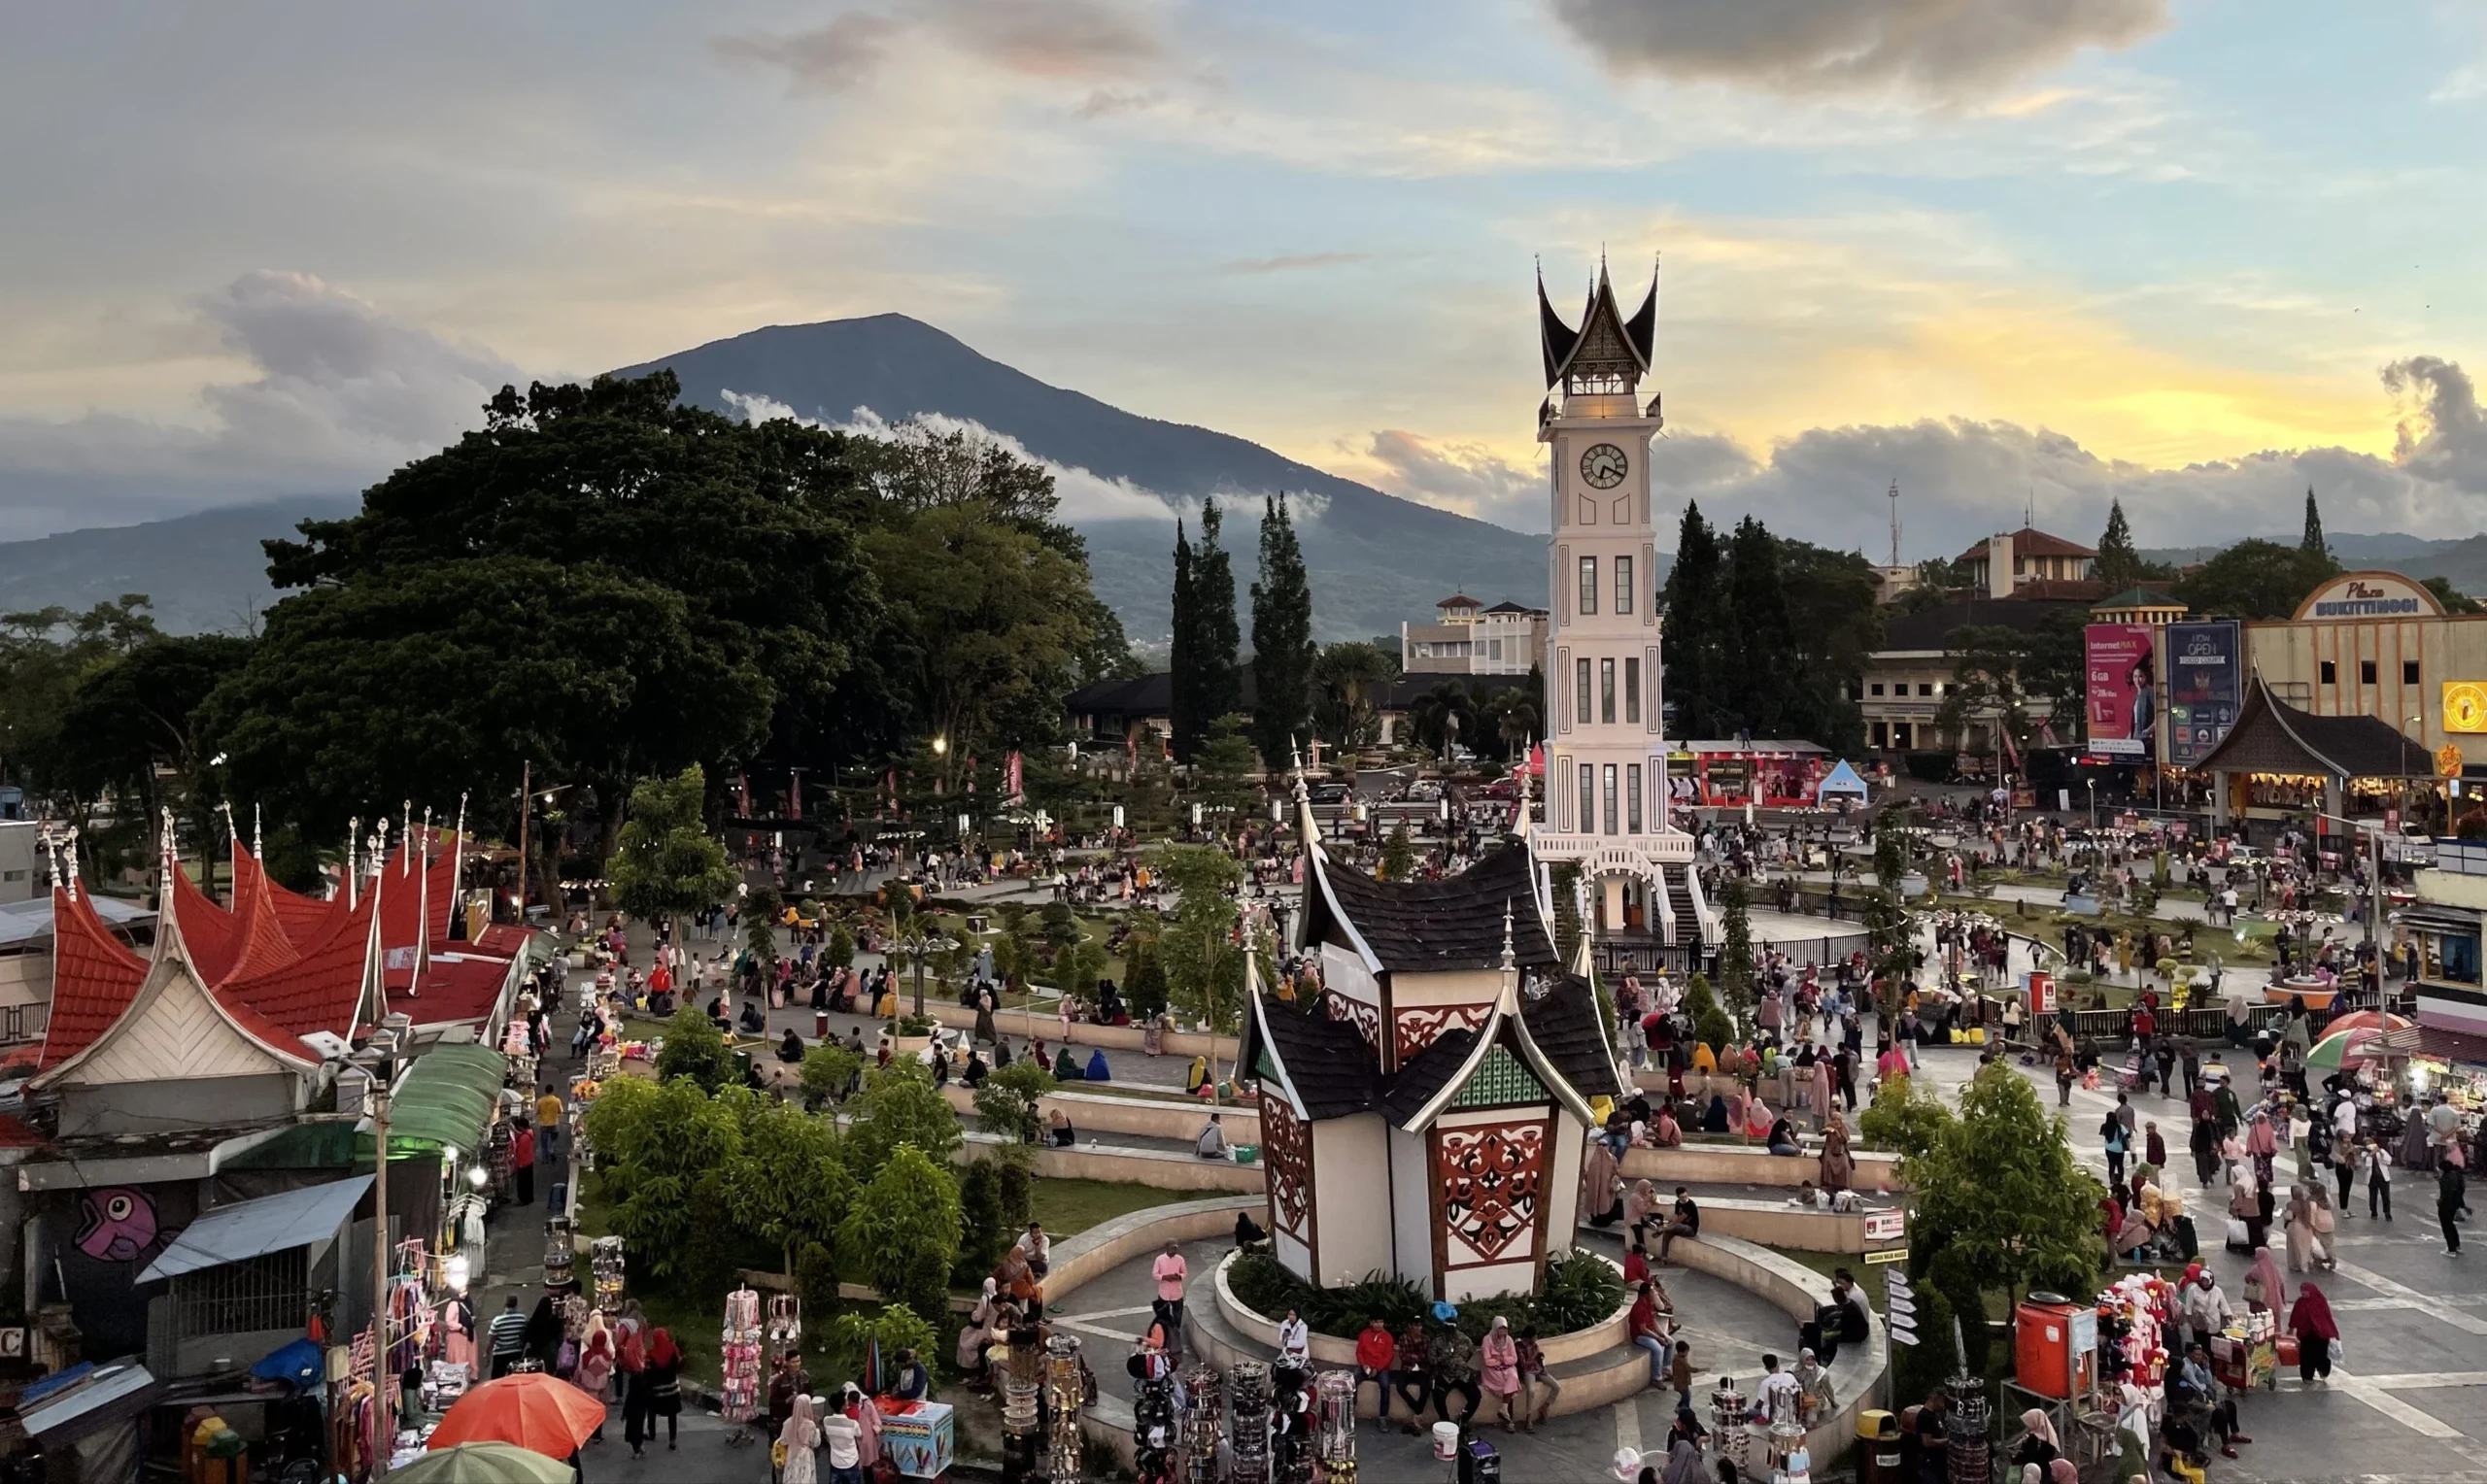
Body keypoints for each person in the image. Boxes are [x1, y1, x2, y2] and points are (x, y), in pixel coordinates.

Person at [1429, 1310, 1482, 1427]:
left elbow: (1471, 1353)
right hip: (1445, 1375)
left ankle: (1463, 1419)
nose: (1450, 1333)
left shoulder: (1465, 1339)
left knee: (1476, 1396)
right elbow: (1432, 1359)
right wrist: (1444, 1360)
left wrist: (1460, 1363)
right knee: (1438, 1396)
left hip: (1462, 1374)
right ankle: (1446, 1422)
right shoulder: (1437, 1341)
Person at [2287, 1281, 2338, 1385]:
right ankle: (2307, 1376)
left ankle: (2323, 1371)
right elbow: (2295, 1315)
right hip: (2306, 1334)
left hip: (2320, 1334)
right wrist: (2291, 1328)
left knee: (2321, 1355)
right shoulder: (2300, 1302)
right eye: (2302, 1291)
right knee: (2306, 1356)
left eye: (2306, 1291)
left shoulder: (2320, 1301)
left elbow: (2326, 1317)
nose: (2304, 1293)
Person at [1480, 1316, 1522, 1433]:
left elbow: (1514, 1359)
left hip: (1506, 1367)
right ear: (1495, 1328)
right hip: (1492, 1371)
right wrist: (1499, 1360)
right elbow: (1487, 1360)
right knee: (1510, 1384)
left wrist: (1502, 1358)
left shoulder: (1508, 1340)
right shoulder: (1487, 1340)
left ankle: (1504, 1410)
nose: (1502, 1332)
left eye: (1504, 1329)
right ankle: (1509, 1420)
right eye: (1500, 1329)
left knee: (1513, 1377)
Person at [1515, 1323, 1560, 1432]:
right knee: (1531, 1390)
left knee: (1556, 1386)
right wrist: (1536, 1359)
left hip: (1539, 1370)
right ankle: (1528, 1416)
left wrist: (1542, 1366)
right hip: (1528, 1372)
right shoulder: (1519, 1347)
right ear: (1529, 1337)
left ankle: (1544, 1407)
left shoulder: (1535, 1345)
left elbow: (1540, 1357)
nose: (1536, 1339)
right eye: (1534, 1336)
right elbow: (1523, 1364)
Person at [645, 1328, 682, 1451]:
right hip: (672, 1389)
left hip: (656, 1390)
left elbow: (648, 1372)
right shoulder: (673, 1350)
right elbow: (678, 1365)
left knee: (651, 1411)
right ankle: (672, 1440)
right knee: (672, 1415)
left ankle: (652, 1433)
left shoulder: (651, 1354)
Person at [1354, 1317, 1395, 1428]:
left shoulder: (1388, 1337)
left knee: (1385, 1385)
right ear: (1371, 1323)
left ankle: (1383, 1417)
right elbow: (1359, 1352)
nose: (1378, 1324)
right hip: (1365, 1367)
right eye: (1376, 1322)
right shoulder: (1364, 1335)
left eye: (1381, 1321)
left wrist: (1377, 1368)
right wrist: (1364, 1365)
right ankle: (1351, 1413)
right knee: (1352, 1382)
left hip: (1381, 1369)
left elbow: (1389, 1357)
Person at [1392, 1318, 1431, 1434]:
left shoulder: (1426, 1339)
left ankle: (1416, 1416)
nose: (1418, 1328)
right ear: (1410, 1326)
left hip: (1422, 1369)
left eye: (1420, 1325)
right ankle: (1418, 1410)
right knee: (1400, 1387)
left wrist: (1414, 1357)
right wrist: (1418, 1357)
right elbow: (1403, 1356)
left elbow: (1427, 1357)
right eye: (1415, 1325)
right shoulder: (1404, 1338)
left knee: (1426, 1388)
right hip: (1407, 1369)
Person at [1630, 1281, 1671, 1389]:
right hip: (1640, 1336)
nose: (1654, 1294)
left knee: (1670, 1342)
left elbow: (1653, 1322)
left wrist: (1663, 1334)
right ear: (1647, 1294)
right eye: (1652, 1292)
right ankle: (1656, 1378)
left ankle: (1666, 1367)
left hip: (1649, 1332)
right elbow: (1643, 1330)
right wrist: (1658, 1338)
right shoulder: (1639, 1308)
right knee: (1658, 1349)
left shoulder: (1648, 1304)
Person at [487, 1295, 528, 1379]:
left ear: (505, 1304)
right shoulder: (522, 1318)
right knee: (515, 1378)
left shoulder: (497, 1321)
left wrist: (487, 1352)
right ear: (516, 1305)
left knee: (497, 1379)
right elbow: (524, 1335)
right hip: (516, 1352)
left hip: (500, 1354)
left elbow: (492, 1339)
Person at [1657, 1187, 1701, 1262]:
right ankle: (1664, 1257)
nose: (1684, 1198)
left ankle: (1663, 1229)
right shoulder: (1678, 1203)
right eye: (1682, 1197)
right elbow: (1676, 1215)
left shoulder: (1691, 1204)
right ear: (1677, 1197)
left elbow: (1681, 1218)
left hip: (1690, 1229)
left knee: (1676, 1226)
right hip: (1679, 1227)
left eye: (1685, 1196)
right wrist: (1670, 1223)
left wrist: (1669, 1226)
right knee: (1667, 1234)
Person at [2009, 1408, 2061, 1472]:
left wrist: (2015, 1456)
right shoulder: (2049, 1435)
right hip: (2045, 1471)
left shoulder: (2034, 1438)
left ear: (2035, 1421)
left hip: (2032, 1472)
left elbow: (2029, 1456)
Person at [1153, 1242, 1189, 1329]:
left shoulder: (1180, 1259)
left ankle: (1176, 1331)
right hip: (1164, 1292)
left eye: (1175, 1249)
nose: (1174, 1251)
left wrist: (1179, 1276)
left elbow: (1184, 1273)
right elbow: (1155, 1274)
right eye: (1172, 1248)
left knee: (1177, 1315)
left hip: (1177, 1292)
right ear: (1167, 1248)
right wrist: (1164, 1277)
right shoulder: (1159, 1259)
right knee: (1162, 1314)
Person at [2361, 1136, 2394, 1221]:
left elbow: (2388, 1161)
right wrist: (2371, 1154)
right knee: (2373, 1196)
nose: (2369, 1145)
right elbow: (2367, 1165)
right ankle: (2374, 1212)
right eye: (2367, 1144)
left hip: (2383, 1177)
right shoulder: (2364, 1154)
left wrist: (2380, 1152)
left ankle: (2387, 1213)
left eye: (2370, 1143)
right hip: (2372, 1178)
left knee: (2386, 1196)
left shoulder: (2381, 1150)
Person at [2443, 1158, 2468, 1256]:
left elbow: (2446, 1194)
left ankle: (2451, 1249)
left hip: (2449, 1206)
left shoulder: (2448, 1179)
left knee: (2448, 1226)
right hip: (2455, 1204)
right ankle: (2456, 1246)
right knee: (2451, 1226)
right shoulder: (2459, 1180)